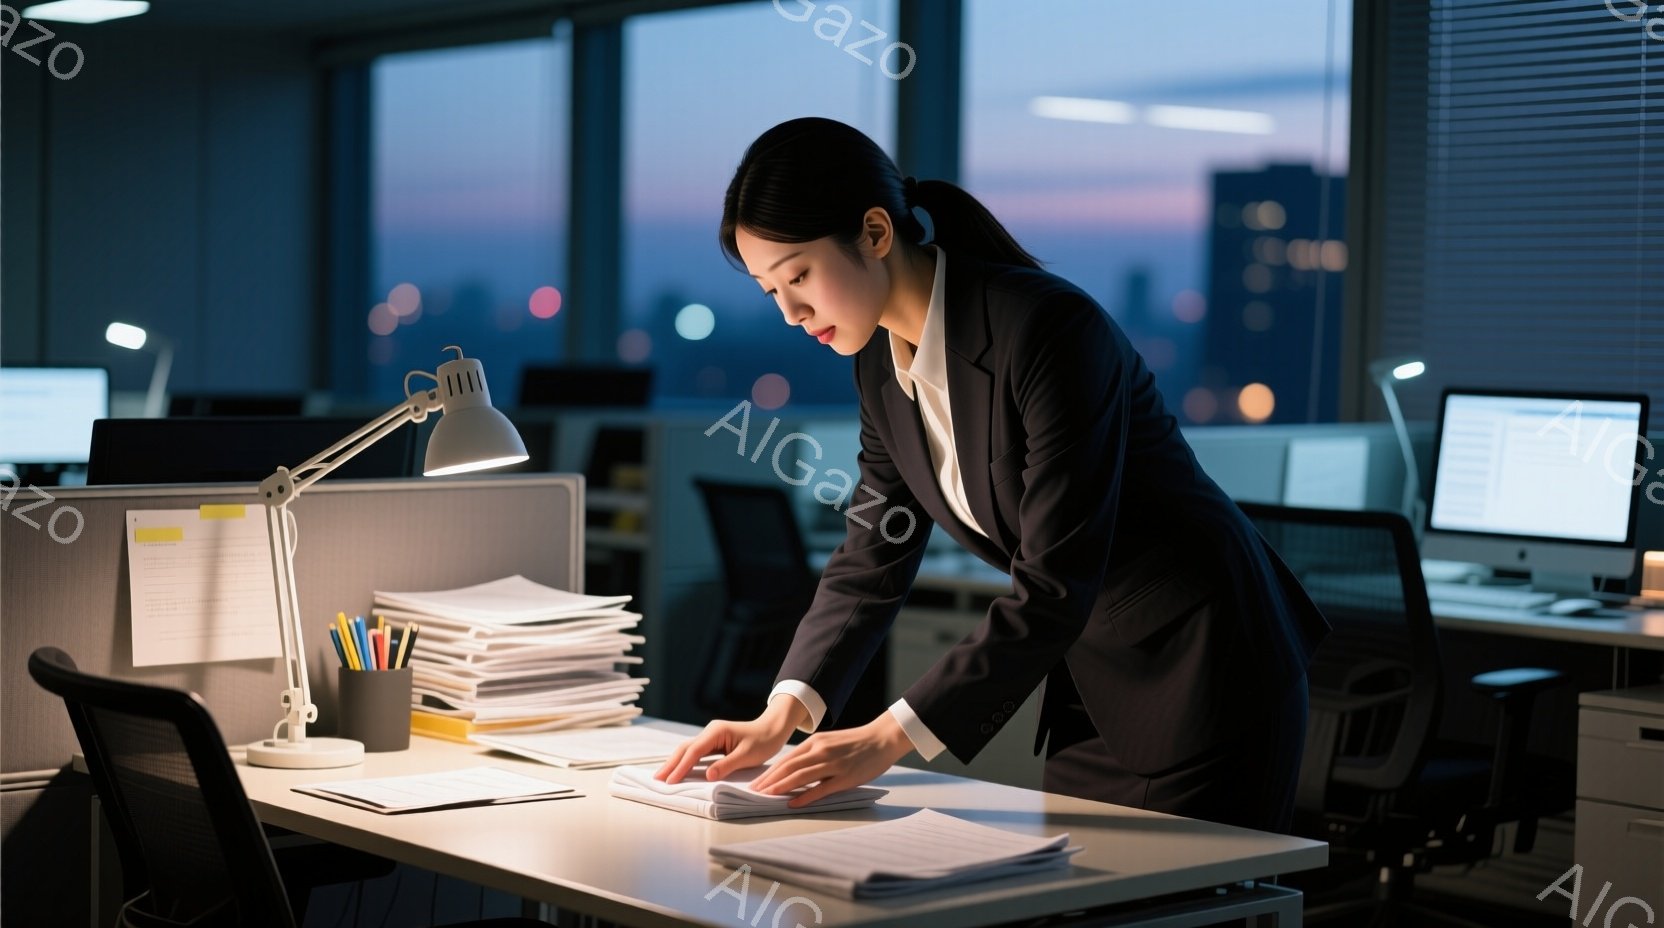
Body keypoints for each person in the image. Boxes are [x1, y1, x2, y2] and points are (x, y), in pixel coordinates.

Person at [656, 116, 1329, 833]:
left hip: (1209, 672)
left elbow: (1055, 583)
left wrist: (885, 739)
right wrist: (780, 714)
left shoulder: (1047, 330)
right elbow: (873, 551)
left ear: (876, 234)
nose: (791, 312)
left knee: (1184, 908)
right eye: (770, 291)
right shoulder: (880, 366)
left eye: (799, 276)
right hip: (1099, 686)